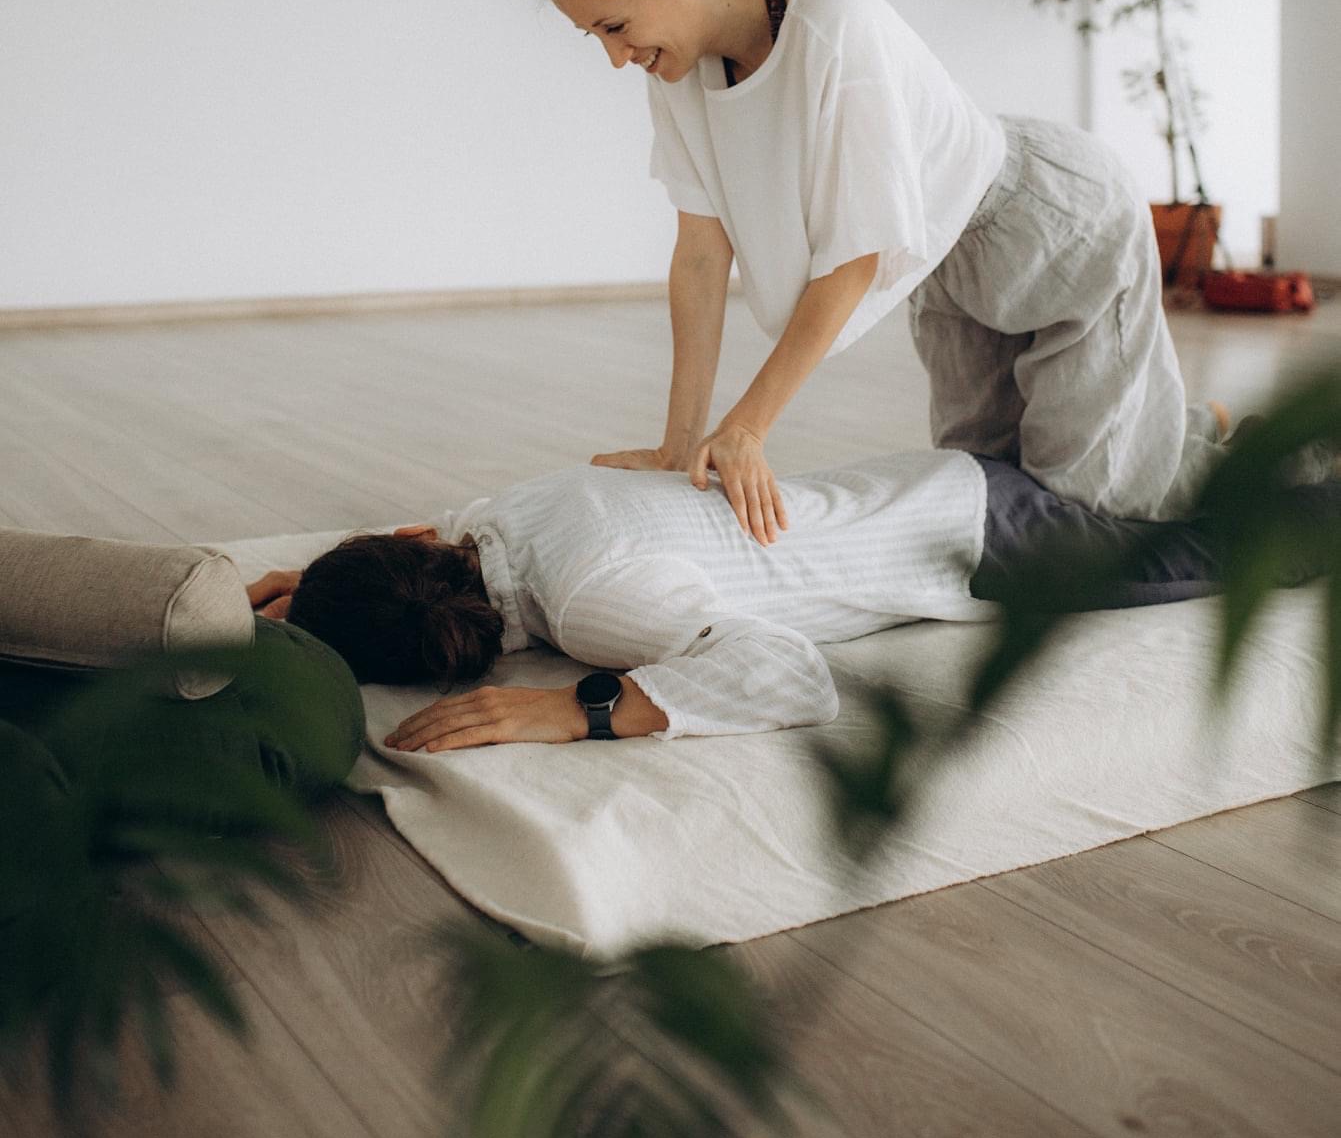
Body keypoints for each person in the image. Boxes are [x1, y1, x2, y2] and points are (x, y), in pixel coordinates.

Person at [521, 0, 1233, 548]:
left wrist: (747, 428)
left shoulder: (831, 22)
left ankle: (1273, 453)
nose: (616, 56)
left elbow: (856, 257)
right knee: (982, 489)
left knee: (1095, 508)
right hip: (941, 259)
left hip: (1052, 225)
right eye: (596, 37)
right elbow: (701, 258)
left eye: (615, 27)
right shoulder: (674, 72)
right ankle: (1160, 421)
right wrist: (679, 447)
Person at [244, 448, 1332, 755]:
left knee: (1268, 546)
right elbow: (427, 537)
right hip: (948, 479)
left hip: (990, 542)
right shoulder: (513, 509)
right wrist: (321, 585)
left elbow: (786, 676)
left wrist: (571, 706)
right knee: (1189, 479)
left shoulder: (591, 606)